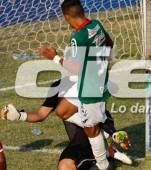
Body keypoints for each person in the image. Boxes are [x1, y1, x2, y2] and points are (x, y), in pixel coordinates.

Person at [37, 0, 114, 169]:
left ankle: (103, 165)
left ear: (66, 16)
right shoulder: (96, 24)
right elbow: (110, 43)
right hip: (95, 79)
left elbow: (76, 68)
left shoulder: (77, 37)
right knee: (63, 111)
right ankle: (103, 127)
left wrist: (53, 57)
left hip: (90, 87)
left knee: (91, 131)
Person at [0, 78, 132, 170]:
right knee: (64, 166)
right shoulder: (59, 86)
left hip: (96, 132)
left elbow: (102, 116)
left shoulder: (90, 84)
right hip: (79, 142)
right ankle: (108, 153)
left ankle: (106, 155)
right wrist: (19, 116)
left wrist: (114, 133)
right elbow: (41, 114)